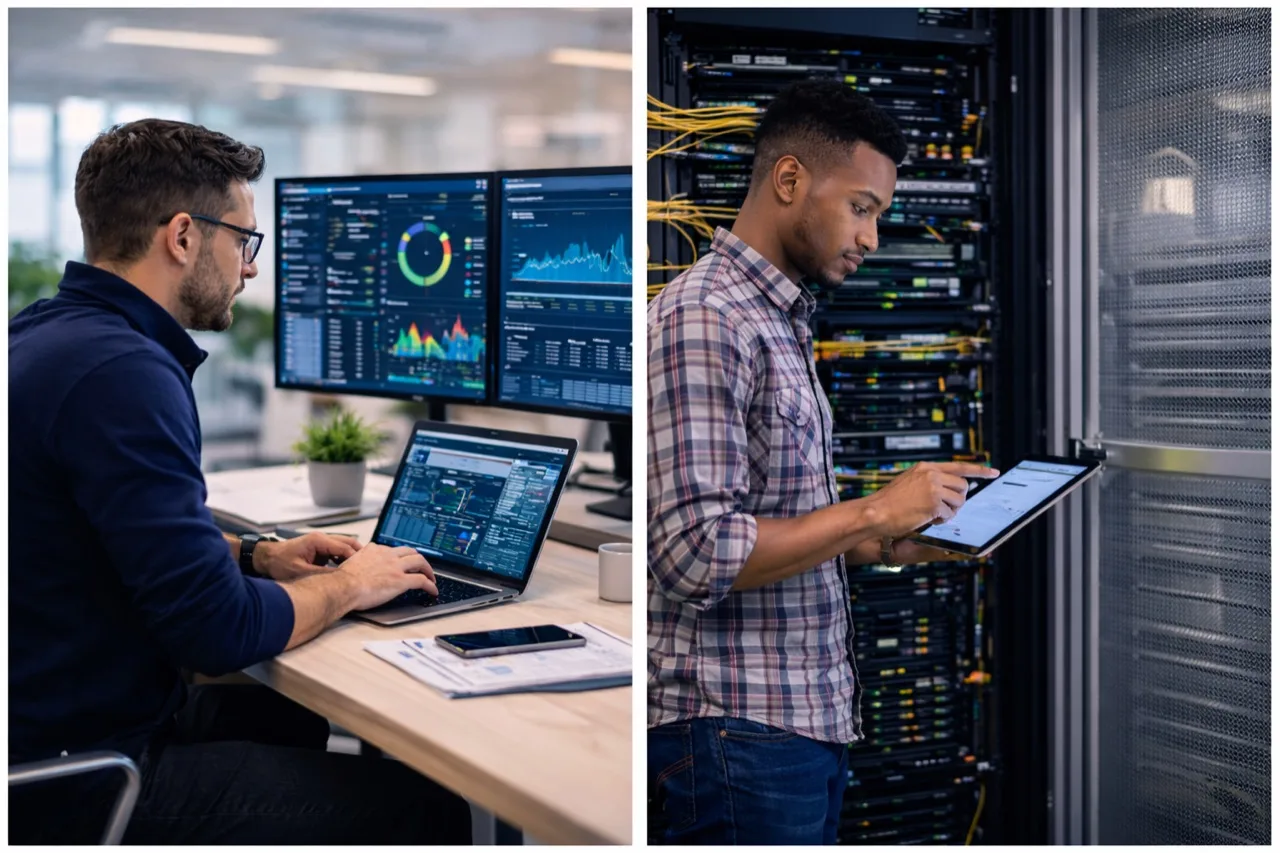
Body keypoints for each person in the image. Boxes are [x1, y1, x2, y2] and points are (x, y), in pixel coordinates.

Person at [9, 119, 471, 844]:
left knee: (286, 715)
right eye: (244, 241)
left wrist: (257, 555)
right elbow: (217, 630)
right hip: (74, 780)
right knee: (425, 806)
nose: (250, 269)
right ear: (183, 236)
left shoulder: (43, 334)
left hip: (49, 724)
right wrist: (352, 584)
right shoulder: (122, 372)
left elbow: (99, 537)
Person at [646, 81, 1000, 845]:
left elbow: (779, 522)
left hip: (799, 721)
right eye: (861, 208)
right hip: (738, 729)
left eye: (879, 216)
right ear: (789, 179)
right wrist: (873, 508)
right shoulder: (708, 317)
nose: (871, 237)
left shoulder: (778, 319)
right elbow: (693, 553)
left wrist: (887, 539)